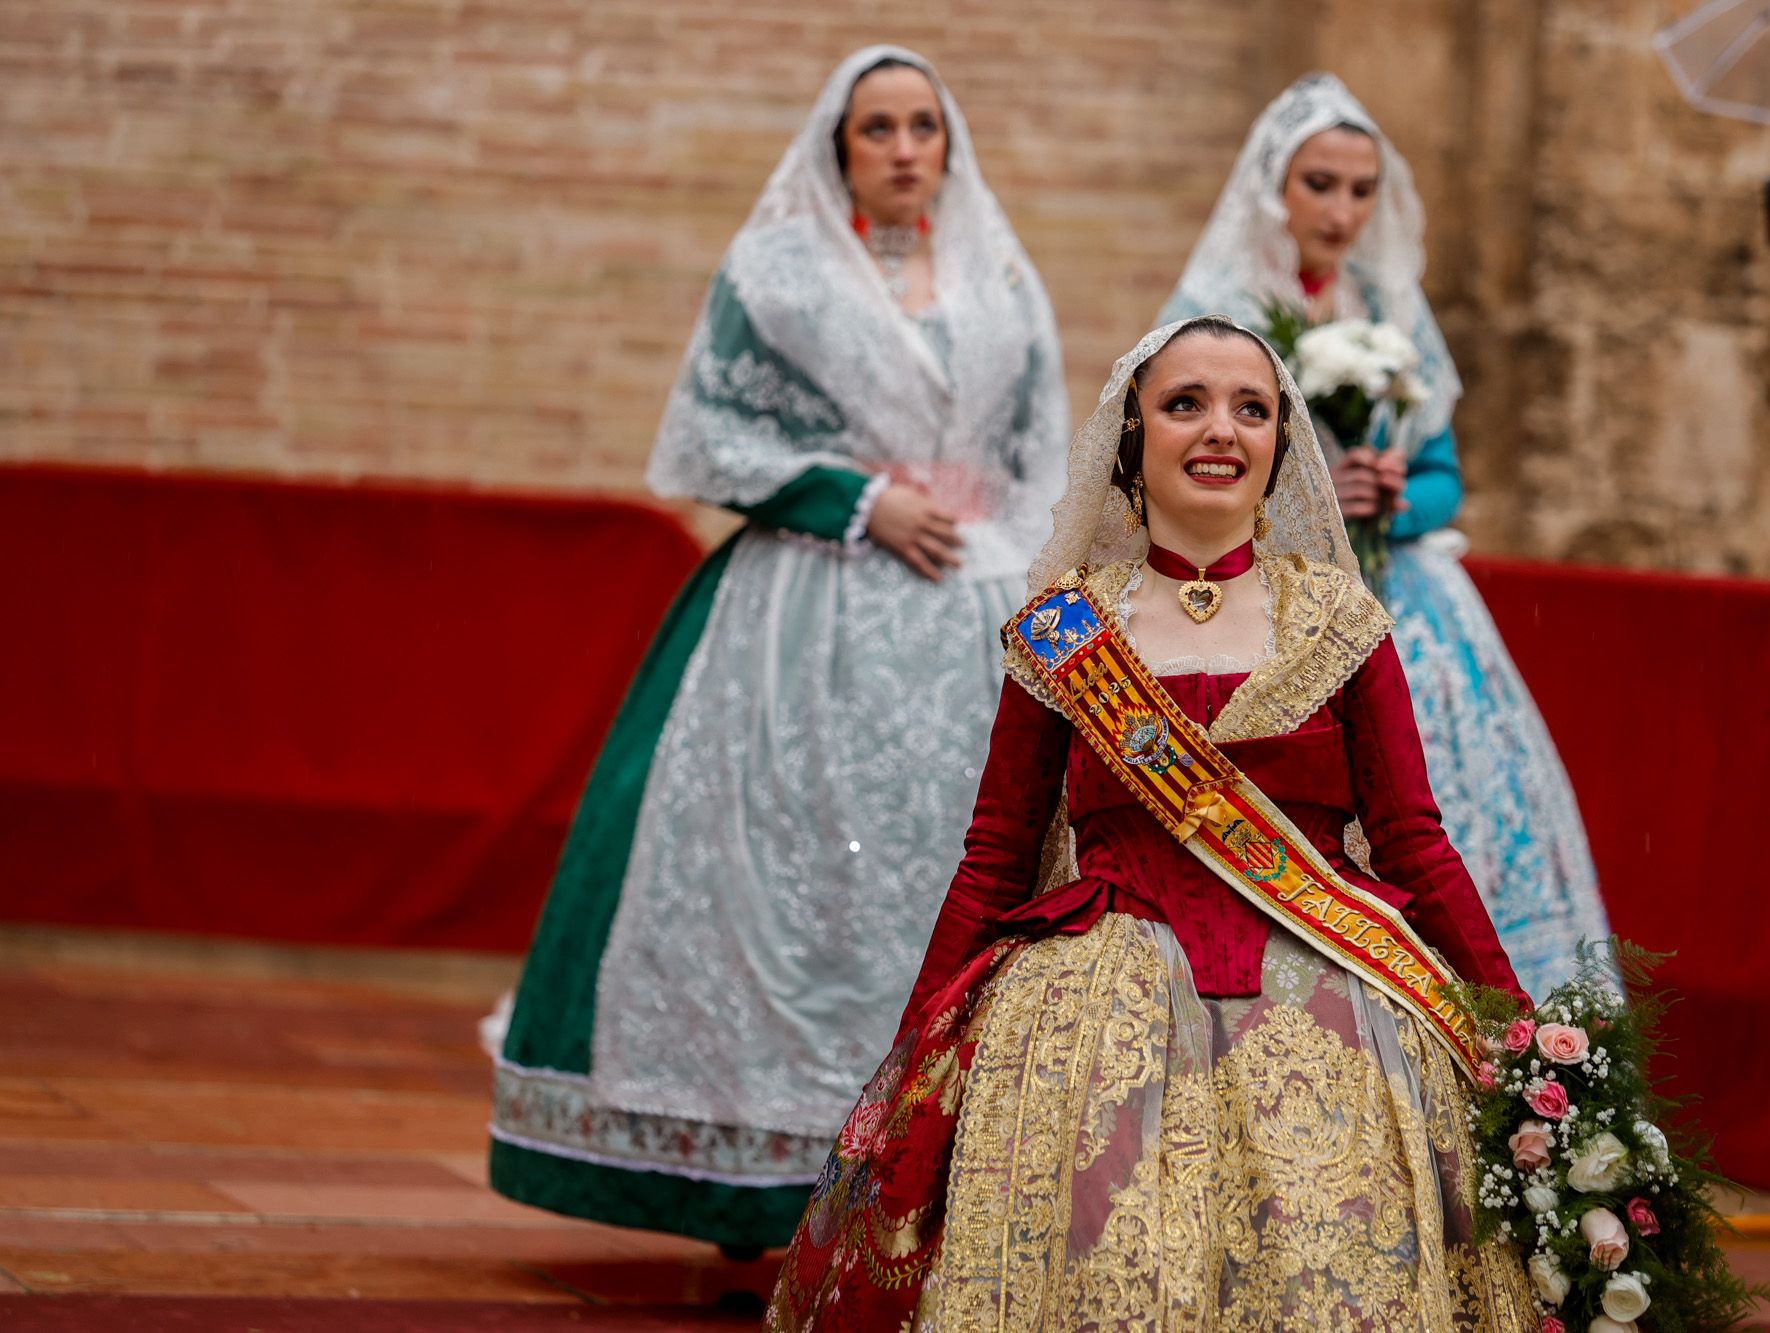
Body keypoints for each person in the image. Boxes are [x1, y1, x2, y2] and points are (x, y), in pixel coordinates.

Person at [764, 316, 1535, 1329]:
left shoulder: (1343, 623)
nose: (1219, 429)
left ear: (1277, 445)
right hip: (1093, 1028)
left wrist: (1522, 1038)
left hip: (1329, 1009)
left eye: (1250, 409)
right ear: (1130, 441)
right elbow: (995, 854)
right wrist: (913, 1058)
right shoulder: (1063, 632)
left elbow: (1413, 840)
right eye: (1185, 404)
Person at [487, 45, 1067, 1254]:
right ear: (839, 150)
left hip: (967, 620)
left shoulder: (1002, 283)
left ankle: (925, 1181)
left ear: (948, 146)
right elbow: (706, 435)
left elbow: (1039, 459)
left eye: (924, 126)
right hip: (804, 616)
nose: (905, 148)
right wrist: (854, 499)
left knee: (947, 870)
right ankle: (757, 1188)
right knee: (787, 879)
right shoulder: (780, 271)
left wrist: (1021, 580)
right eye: (878, 130)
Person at [1161, 74, 1609, 999]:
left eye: (1361, 190)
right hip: (1262, 586)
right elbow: (1172, 471)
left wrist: (1390, 499)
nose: (1342, 210)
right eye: (1320, 183)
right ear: (1273, 187)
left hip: (1402, 592)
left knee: (1436, 804)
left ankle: (1485, 1007)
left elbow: (1445, 478)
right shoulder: (1216, 308)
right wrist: (1308, 504)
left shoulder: (1389, 304)